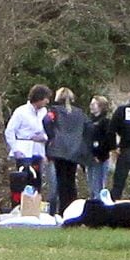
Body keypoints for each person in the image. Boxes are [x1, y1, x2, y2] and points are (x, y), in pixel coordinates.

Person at [43, 87, 92, 215]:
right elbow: (89, 126)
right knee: (71, 179)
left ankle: (62, 209)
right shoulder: (80, 113)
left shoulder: (54, 111)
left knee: (61, 179)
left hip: (59, 149)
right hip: (75, 149)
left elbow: (46, 121)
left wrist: (51, 136)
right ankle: (73, 208)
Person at [4, 84, 52, 189]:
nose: (47, 102)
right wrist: (15, 149)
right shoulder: (21, 112)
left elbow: (49, 131)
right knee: (24, 181)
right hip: (24, 151)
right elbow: (10, 131)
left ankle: (35, 203)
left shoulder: (44, 112)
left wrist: (44, 137)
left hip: (38, 152)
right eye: (45, 98)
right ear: (39, 98)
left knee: (37, 181)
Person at [86, 95, 115, 200]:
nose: (91, 106)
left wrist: (99, 155)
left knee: (98, 185)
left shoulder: (106, 122)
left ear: (101, 106)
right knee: (91, 187)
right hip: (89, 158)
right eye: (91, 104)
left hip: (100, 158)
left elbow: (108, 141)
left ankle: (98, 207)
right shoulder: (89, 121)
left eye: (94, 104)